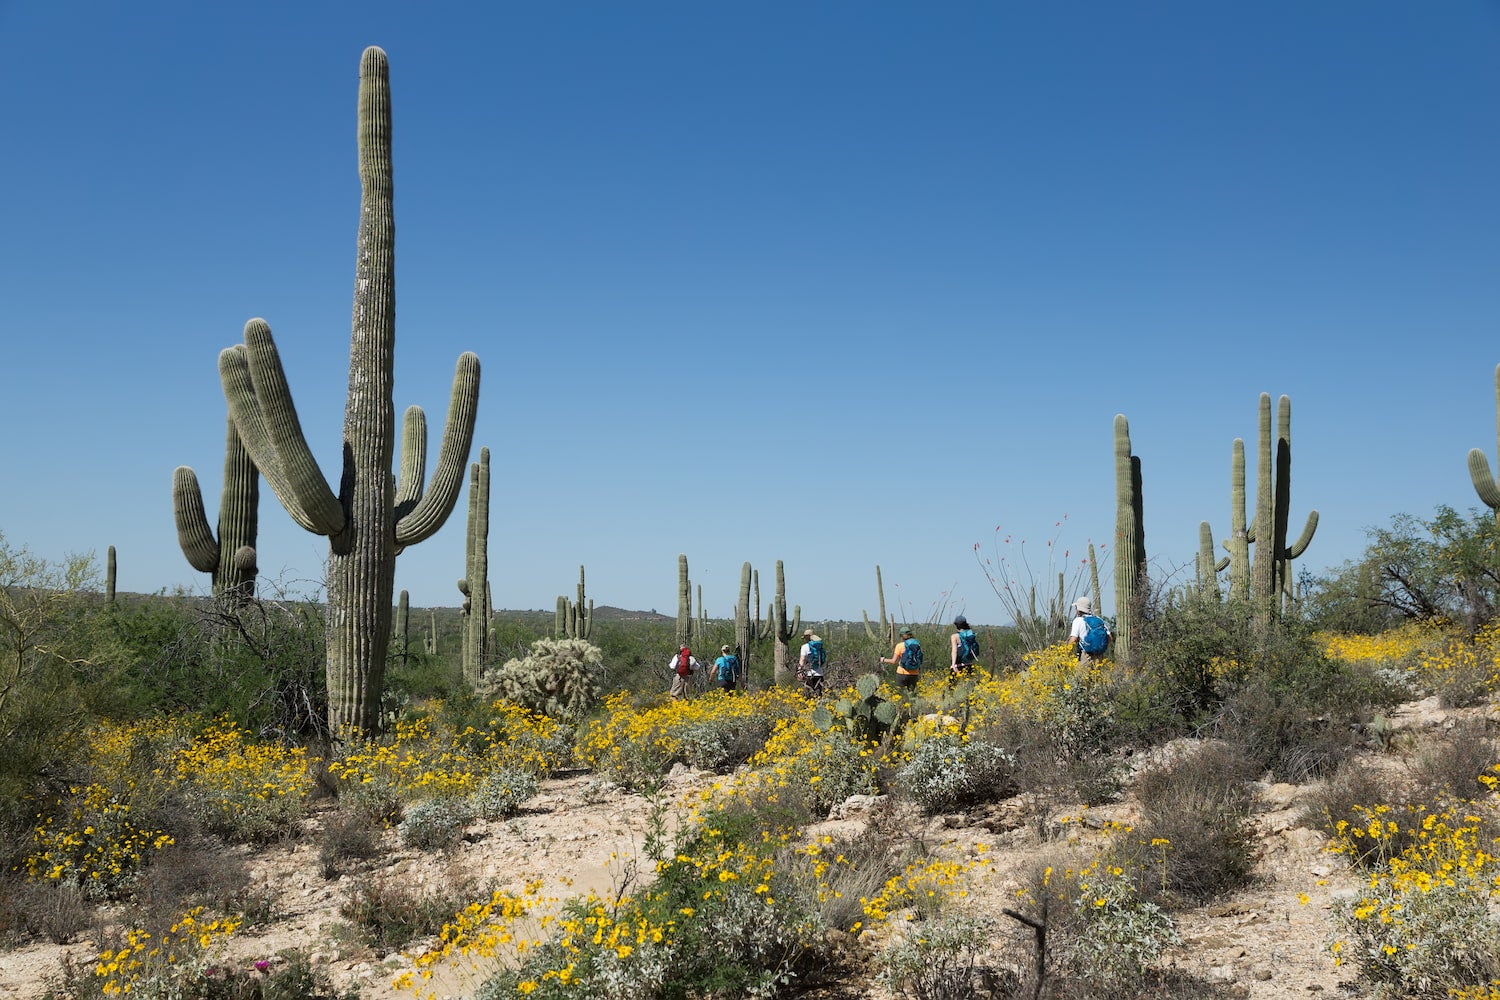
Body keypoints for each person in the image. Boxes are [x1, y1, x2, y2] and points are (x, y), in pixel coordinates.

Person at [1068, 598, 1112, 666]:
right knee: (1096, 676)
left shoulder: (1078, 620)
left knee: (1082, 676)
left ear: (1079, 609)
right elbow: (1109, 638)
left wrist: (1066, 652)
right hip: (1099, 657)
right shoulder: (1098, 619)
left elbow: (1073, 639)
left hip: (1085, 656)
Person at [798, 629, 827, 695]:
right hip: (819, 673)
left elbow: (802, 659)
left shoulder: (804, 647)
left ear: (806, 638)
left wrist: (800, 671)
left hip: (808, 673)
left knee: (808, 694)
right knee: (818, 694)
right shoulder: (819, 647)